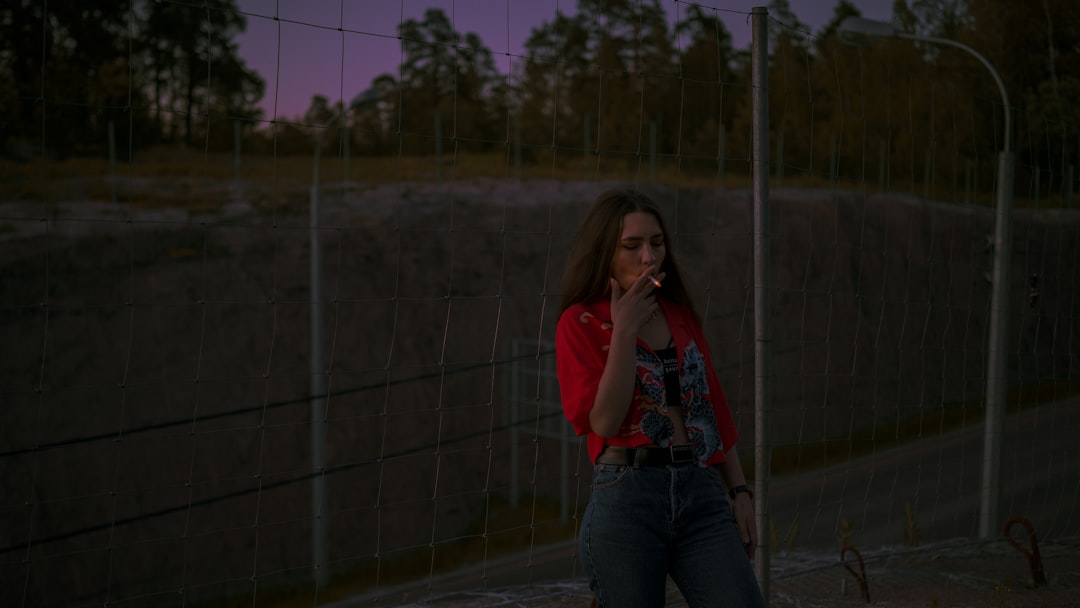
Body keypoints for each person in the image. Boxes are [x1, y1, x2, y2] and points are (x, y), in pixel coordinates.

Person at [555, 188, 763, 607]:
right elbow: (603, 423)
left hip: (702, 492)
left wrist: (740, 491)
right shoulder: (580, 322)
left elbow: (712, 405)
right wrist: (625, 330)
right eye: (632, 246)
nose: (649, 257)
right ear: (606, 253)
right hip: (628, 497)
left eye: (656, 242)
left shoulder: (679, 314)